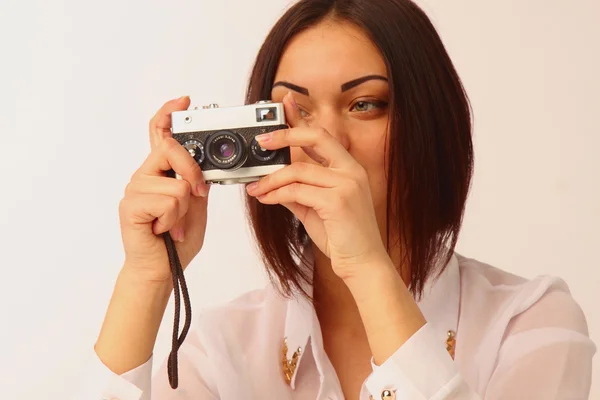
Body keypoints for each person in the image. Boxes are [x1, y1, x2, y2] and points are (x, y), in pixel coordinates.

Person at [84, 0, 596, 399]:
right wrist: (145, 281)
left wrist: (367, 268)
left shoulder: (529, 321)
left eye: (364, 104)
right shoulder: (222, 346)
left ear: (431, 125)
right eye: (295, 110)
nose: (325, 139)